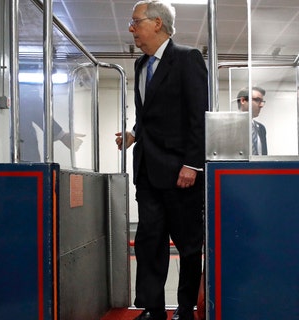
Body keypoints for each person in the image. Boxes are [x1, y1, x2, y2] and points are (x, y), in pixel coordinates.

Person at [114, 1, 207, 319]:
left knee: (189, 245)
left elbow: (198, 116)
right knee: (149, 243)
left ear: (157, 23)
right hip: (147, 171)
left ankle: (185, 308)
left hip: (182, 174)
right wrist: (133, 135)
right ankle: (153, 310)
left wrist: (193, 164)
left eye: (135, 22)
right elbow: (148, 117)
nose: (132, 28)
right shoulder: (141, 66)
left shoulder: (187, 58)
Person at [19, 85, 84, 162]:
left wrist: (61, 135)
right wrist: (61, 135)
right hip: (23, 154)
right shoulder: (26, 86)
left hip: (21, 153)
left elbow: (34, 107)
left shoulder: (24, 88)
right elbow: (35, 107)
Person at [236, 86, 268, 155]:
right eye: (257, 100)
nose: (261, 105)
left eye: (262, 101)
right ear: (243, 100)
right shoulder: (230, 126)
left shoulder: (261, 128)